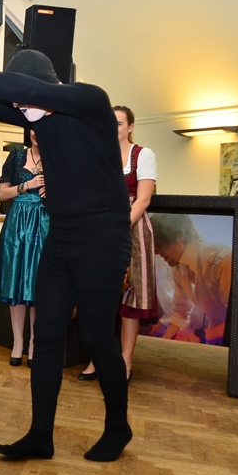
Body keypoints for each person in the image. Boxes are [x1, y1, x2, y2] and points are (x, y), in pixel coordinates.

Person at [0, 49, 132, 461]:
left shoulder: (89, 102)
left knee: (95, 336)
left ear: (46, 86)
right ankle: (40, 435)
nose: (20, 109)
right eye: (17, 105)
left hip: (103, 238)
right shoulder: (38, 117)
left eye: (24, 100)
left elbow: (28, 93)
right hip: (62, 236)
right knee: (47, 335)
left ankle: (117, 427)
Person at [79, 106, 157, 381]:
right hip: (100, 230)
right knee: (100, 296)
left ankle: (125, 360)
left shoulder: (143, 155)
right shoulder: (97, 154)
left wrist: (120, 226)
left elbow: (144, 199)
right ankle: (98, 357)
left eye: (119, 123)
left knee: (131, 297)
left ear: (131, 127)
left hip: (132, 229)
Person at [0, 130, 48, 367]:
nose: (36, 133)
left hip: (44, 222)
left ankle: (34, 344)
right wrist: (26, 185)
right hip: (17, 223)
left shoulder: (58, 157)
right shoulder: (16, 156)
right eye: (33, 128)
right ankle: (17, 343)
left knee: (37, 284)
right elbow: (2, 194)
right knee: (15, 281)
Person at [148, 213, 230, 345]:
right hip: (212, 339)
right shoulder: (178, 267)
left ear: (180, 236)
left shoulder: (222, 259)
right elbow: (180, 312)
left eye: (159, 242)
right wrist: (164, 340)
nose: (156, 251)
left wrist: (198, 336)